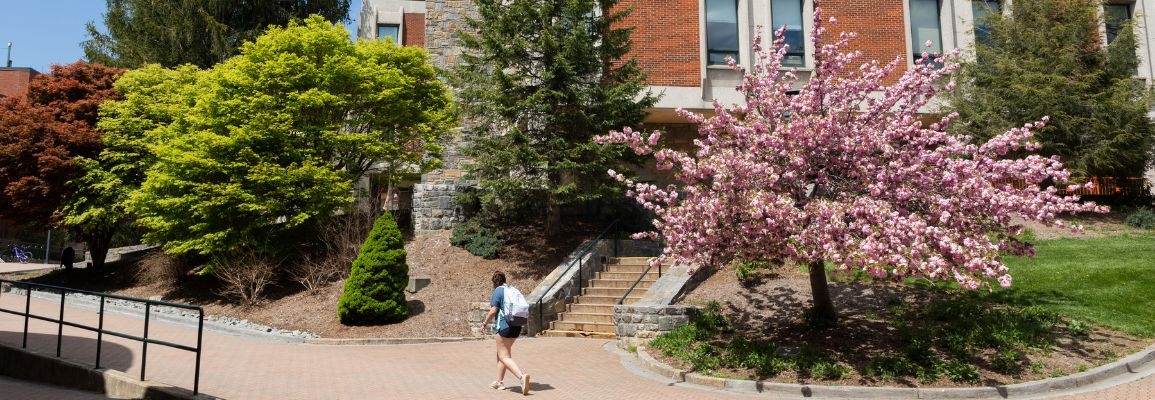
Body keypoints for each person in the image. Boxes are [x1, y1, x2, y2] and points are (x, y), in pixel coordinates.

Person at [482, 271, 530, 395]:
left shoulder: (498, 291)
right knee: (502, 354)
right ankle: (499, 382)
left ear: (494, 281)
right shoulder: (512, 289)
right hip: (516, 325)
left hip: (504, 326)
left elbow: (493, 311)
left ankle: (521, 377)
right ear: (504, 279)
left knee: (504, 356)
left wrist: (484, 323)